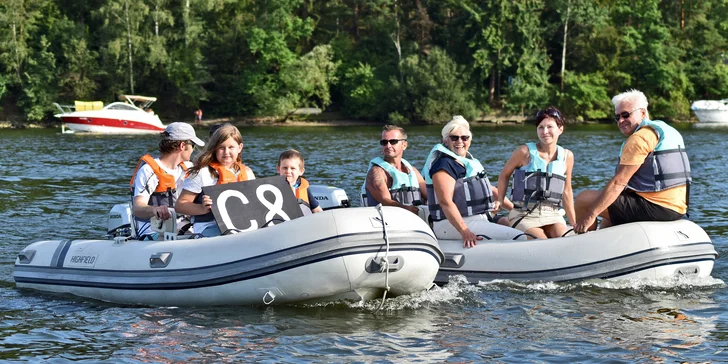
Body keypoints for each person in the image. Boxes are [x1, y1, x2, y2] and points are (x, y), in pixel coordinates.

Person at [573, 89, 691, 233]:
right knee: (608, 203)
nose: (621, 121)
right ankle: (604, 244)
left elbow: (619, 182)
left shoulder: (639, 138)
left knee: (584, 199)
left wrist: (591, 215)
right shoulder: (666, 130)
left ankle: (584, 245)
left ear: (642, 113)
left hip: (657, 207)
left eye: (625, 115)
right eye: (617, 117)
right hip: (678, 207)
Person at [423, 115, 519, 248]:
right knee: (520, 237)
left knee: (518, 225)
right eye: (454, 138)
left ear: (470, 140)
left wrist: (516, 211)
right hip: (451, 225)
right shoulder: (443, 165)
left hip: (479, 218)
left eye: (464, 138)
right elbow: (445, 202)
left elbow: (491, 189)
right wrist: (465, 232)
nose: (459, 141)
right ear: (446, 141)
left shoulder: (468, 162)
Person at [494, 107, 576, 239]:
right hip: (524, 214)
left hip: (552, 214)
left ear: (560, 129)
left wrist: (573, 223)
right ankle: (507, 222)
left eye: (550, 127)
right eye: (540, 127)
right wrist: (500, 201)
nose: (545, 132)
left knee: (564, 237)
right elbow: (504, 174)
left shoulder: (567, 156)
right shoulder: (524, 152)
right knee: (541, 241)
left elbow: (567, 191)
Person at [175, 124, 256, 237]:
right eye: (221, 147)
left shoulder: (247, 173)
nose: (226, 152)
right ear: (214, 149)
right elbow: (180, 205)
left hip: (242, 225)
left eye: (231, 147)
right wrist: (202, 208)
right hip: (208, 226)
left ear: (240, 148)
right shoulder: (202, 173)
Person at [130, 122, 205, 239]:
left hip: (182, 226)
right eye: (193, 145)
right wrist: (154, 210)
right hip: (152, 228)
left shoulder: (188, 168)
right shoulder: (148, 171)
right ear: (182, 146)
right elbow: (138, 208)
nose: (193, 150)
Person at [360, 125, 427, 215]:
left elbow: (429, 195)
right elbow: (385, 201)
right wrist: (407, 209)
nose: (388, 146)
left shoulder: (413, 171)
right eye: (384, 142)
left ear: (404, 145)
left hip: (414, 220)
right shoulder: (376, 172)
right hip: (387, 223)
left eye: (393, 142)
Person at [277, 149, 323, 215]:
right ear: (278, 169)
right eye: (285, 168)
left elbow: (317, 210)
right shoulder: (273, 188)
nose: (288, 171)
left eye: (292, 168)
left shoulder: (304, 189)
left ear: (301, 171)